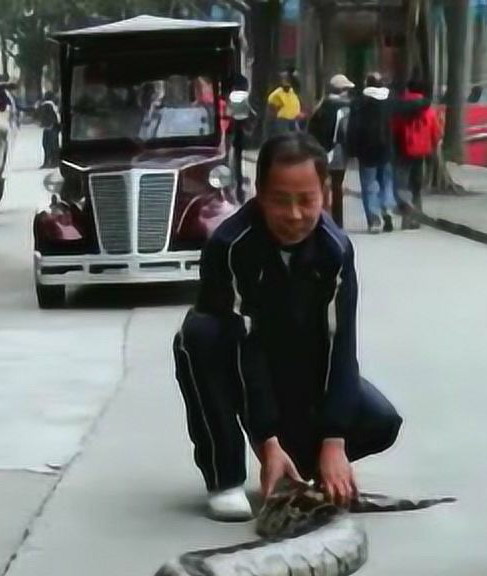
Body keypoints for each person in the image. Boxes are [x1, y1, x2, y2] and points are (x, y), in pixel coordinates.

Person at [172, 132, 403, 521]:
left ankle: (304, 468)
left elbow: (341, 346)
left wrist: (334, 440)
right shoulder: (230, 246)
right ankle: (224, 475)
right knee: (200, 336)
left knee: (380, 421)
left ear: (326, 196)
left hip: (297, 362)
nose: (294, 215)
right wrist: (266, 441)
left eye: (306, 200)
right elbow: (246, 347)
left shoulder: (335, 250)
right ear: (259, 193)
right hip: (234, 360)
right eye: (281, 200)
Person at [347, 73, 400, 234]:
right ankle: (387, 207)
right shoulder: (390, 102)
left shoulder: (359, 103)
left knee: (369, 185)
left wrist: (352, 149)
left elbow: (353, 128)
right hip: (386, 149)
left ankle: (374, 219)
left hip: (366, 150)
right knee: (387, 182)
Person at [391, 78, 442, 230]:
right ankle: (417, 216)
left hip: (402, 150)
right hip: (422, 151)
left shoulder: (400, 107)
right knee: (416, 185)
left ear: (408, 89)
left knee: (401, 185)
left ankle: (407, 214)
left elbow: (393, 128)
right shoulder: (429, 111)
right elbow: (436, 133)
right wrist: (432, 146)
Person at [308, 74, 355, 228]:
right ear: (342, 90)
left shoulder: (322, 106)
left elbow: (311, 129)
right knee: (337, 186)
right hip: (339, 151)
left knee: (322, 185)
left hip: (321, 150)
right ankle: (337, 220)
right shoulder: (346, 108)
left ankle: (322, 216)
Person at [266, 71, 303, 136]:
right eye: (284, 79)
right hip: (283, 122)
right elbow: (272, 109)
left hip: (294, 121)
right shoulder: (276, 94)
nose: (286, 81)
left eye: (287, 79)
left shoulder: (292, 92)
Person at [37, 91, 61, 169]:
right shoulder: (52, 105)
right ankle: (53, 162)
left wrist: (49, 124)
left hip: (50, 127)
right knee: (51, 145)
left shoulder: (48, 105)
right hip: (52, 127)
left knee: (48, 145)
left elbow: (51, 117)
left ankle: (49, 162)